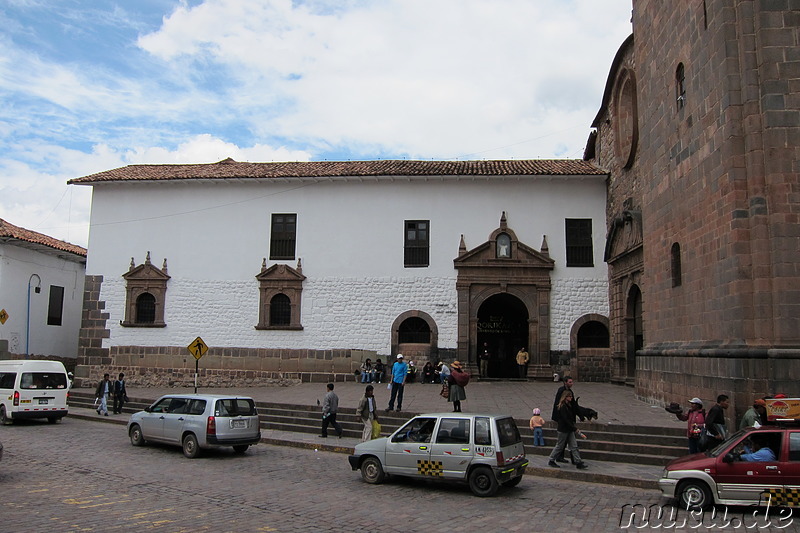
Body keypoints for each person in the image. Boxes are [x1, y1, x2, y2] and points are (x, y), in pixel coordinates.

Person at [547, 390, 588, 469]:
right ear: (565, 397)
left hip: (569, 429)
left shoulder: (569, 405)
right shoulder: (563, 407)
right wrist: (574, 428)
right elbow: (565, 419)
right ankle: (551, 459)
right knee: (559, 445)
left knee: (574, 446)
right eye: (570, 396)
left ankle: (578, 462)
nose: (571, 398)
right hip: (563, 429)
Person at [550, 376, 575, 463]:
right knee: (561, 443)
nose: (572, 384)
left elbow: (574, 405)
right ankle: (555, 458)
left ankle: (575, 460)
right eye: (570, 382)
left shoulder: (569, 393)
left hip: (567, 422)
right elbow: (558, 404)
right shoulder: (562, 391)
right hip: (562, 422)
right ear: (565, 382)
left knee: (571, 444)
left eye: (572, 382)